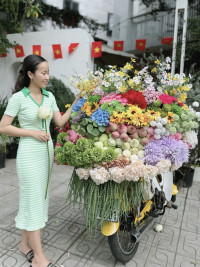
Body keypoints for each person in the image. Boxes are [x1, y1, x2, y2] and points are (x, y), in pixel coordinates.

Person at [0, 55, 80, 267]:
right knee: (34, 201)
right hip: (28, 156)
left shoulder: (49, 96)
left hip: (46, 155)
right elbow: (3, 126)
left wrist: (74, 104)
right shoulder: (19, 98)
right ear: (30, 74)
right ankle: (39, 257)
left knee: (39, 200)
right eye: (43, 72)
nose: (47, 76)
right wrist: (32, 133)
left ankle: (24, 245)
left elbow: (60, 122)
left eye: (48, 72)